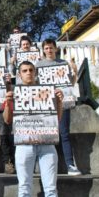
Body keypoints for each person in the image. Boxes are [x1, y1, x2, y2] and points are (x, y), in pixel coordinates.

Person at [3, 61, 64, 197]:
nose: (28, 73)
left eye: (31, 70)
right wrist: (8, 103)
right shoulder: (15, 93)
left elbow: (56, 120)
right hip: (24, 144)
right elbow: (7, 120)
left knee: (51, 187)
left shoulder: (47, 91)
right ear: (19, 74)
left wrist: (59, 102)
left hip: (47, 144)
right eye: (24, 70)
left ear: (35, 72)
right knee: (24, 185)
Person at [37, 38, 81, 176]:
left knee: (64, 134)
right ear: (43, 50)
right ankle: (46, 167)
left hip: (63, 104)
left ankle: (70, 165)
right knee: (48, 136)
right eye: (46, 48)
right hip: (46, 106)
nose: (49, 50)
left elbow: (70, 84)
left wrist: (75, 72)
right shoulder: (38, 65)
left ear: (56, 49)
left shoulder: (63, 64)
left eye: (51, 48)